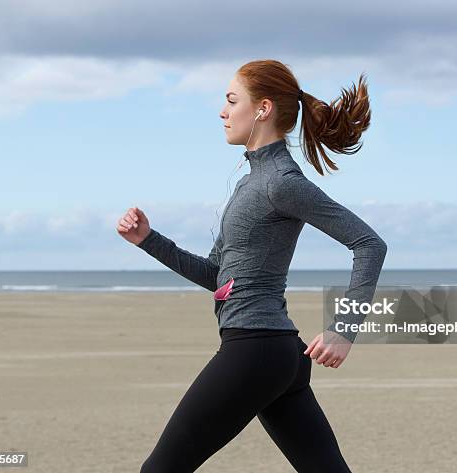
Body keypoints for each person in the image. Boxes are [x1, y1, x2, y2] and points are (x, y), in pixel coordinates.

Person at [117, 59, 388, 472]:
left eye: (231, 100)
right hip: (277, 354)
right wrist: (149, 241)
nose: (223, 112)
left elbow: (369, 244)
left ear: (262, 109)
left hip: (256, 351)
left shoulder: (281, 181)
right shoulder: (251, 183)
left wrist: (343, 330)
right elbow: (217, 276)